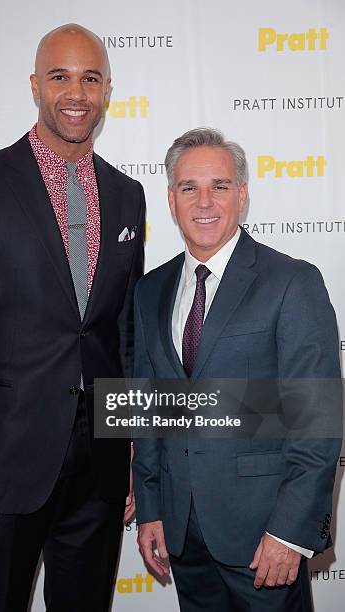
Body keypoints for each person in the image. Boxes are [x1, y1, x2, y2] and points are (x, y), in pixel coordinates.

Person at [0, 23, 145, 612]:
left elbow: (121, 333)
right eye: (61, 77)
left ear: (107, 90)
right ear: (35, 86)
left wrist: (131, 451)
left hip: (98, 468)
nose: (76, 92)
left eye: (90, 78)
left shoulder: (128, 196)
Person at [132, 128, 341, 611]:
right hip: (183, 535)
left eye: (220, 186)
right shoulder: (150, 290)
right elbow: (149, 411)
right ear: (171, 198)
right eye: (189, 188)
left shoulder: (293, 282)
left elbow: (317, 422)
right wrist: (150, 509)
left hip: (263, 538)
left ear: (242, 195)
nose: (205, 202)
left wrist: (290, 533)